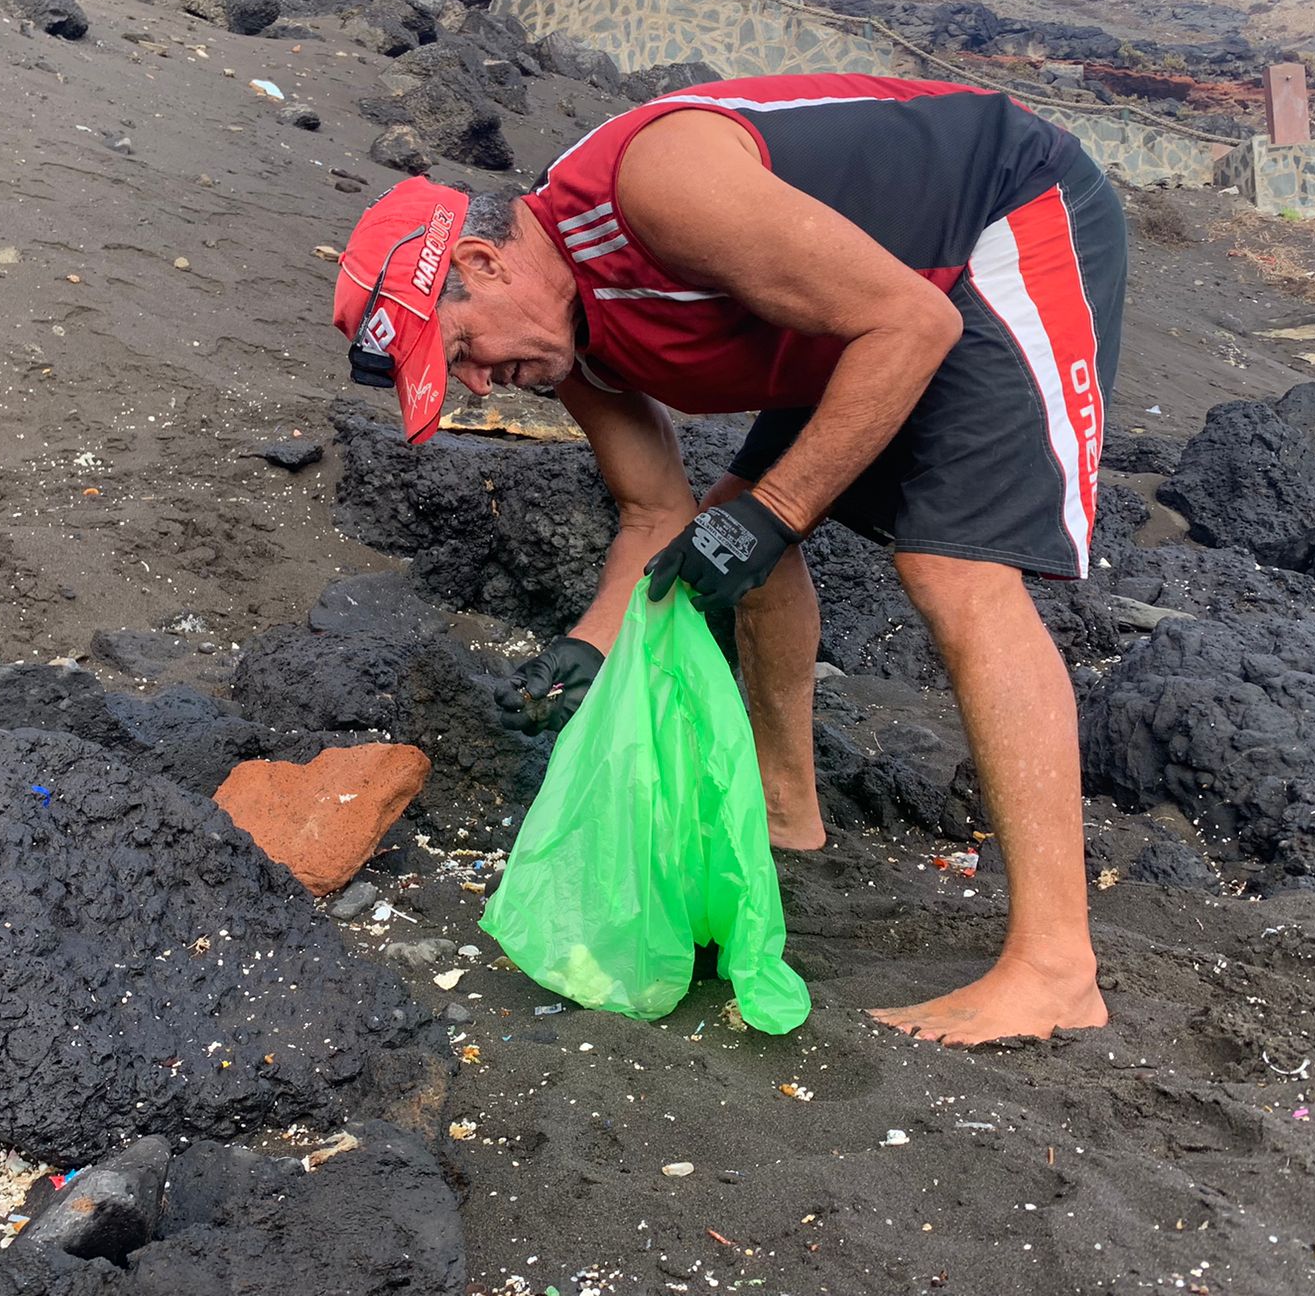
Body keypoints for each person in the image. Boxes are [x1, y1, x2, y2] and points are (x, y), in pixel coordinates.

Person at [330, 73, 1126, 1046]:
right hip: (862, 308)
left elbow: (911, 325)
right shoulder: (567, 347)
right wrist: (586, 648)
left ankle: (1054, 971)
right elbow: (654, 514)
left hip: (994, 222)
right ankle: (787, 805)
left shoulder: (655, 189)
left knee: (948, 569)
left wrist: (778, 513)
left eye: (458, 351)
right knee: (726, 518)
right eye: (450, 379)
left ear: (485, 263)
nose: (476, 383)